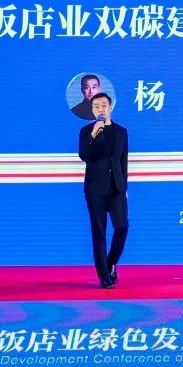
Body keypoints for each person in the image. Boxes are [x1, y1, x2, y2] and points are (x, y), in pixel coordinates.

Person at [78, 92, 128, 289]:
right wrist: (93, 135)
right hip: (95, 189)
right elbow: (84, 156)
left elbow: (123, 162)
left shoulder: (122, 131)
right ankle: (104, 277)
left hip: (116, 187)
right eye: (96, 106)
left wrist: (124, 187)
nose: (100, 108)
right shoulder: (86, 132)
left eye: (104, 105)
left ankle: (110, 263)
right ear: (92, 110)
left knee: (122, 228)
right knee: (99, 232)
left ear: (110, 107)